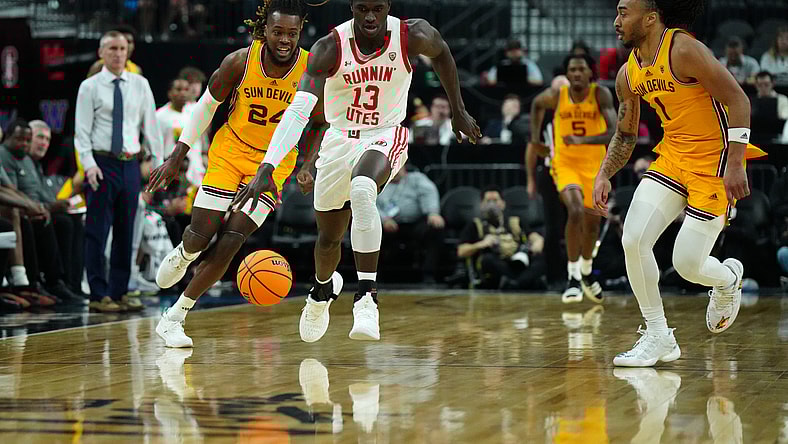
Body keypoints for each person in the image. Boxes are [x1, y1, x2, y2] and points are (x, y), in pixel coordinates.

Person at [232, 0, 481, 343]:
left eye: (376, 9)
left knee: (363, 188)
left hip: (385, 133)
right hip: (338, 139)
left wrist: (458, 109)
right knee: (329, 238)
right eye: (362, 8)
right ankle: (321, 291)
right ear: (352, 8)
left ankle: (366, 297)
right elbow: (298, 112)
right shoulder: (328, 48)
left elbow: (442, 55)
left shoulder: (412, 35)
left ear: (387, 7)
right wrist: (268, 166)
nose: (369, 16)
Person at [593, 0, 766, 367]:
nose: (616, 22)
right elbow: (625, 134)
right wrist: (604, 173)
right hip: (673, 157)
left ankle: (727, 277)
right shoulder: (628, 73)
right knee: (633, 238)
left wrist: (736, 163)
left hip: (714, 161)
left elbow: (739, 100)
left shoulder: (683, 49)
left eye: (624, 13)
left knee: (686, 264)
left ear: (650, 18)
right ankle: (658, 336)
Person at [147, 0, 322, 347]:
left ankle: (175, 317)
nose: (285, 39)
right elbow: (205, 108)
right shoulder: (240, 61)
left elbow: (321, 123)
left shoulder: (312, 70)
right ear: (265, 30)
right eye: (278, 32)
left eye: (292, 32)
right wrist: (175, 157)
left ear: (301, 31)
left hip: (275, 164)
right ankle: (185, 253)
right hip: (232, 151)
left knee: (232, 240)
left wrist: (307, 165)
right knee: (202, 234)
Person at [75, 30, 163, 312]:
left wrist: (158, 163)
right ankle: (98, 294)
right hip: (102, 163)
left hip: (130, 165)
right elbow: (81, 132)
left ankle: (120, 291)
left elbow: (151, 126)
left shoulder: (140, 84)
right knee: (97, 232)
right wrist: (88, 165)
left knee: (127, 231)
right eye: (111, 48)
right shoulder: (89, 87)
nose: (117, 53)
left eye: (122, 48)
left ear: (128, 52)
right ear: (101, 52)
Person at [527, 53, 616, 304]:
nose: (576, 74)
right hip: (565, 164)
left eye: (581, 69)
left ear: (590, 72)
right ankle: (573, 276)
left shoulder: (601, 95)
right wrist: (535, 140)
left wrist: (583, 140)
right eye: (572, 70)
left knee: (592, 225)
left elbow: (613, 132)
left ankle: (587, 271)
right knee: (575, 210)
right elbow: (536, 105)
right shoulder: (558, 96)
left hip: (595, 166)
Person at [457, 186, 546, 290]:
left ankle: (515, 284)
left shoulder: (515, 221)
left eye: (495, 200)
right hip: (497, 265)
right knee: (487, 260)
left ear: (503, 204)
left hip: (518, 262)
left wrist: (538, 242)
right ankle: (522, 283)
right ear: (481, 205)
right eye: (488, 201)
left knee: (542, 258)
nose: (492, 204)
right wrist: (481, 244)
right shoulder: (475, 225)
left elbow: (535, 237)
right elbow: (461, 251)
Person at [377, 166, 445, 284]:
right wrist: (384, 219)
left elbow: (429, 193)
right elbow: (371, 203)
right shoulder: (378, 182)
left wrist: (432, 213)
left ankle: (428, 274)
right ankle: (377, 276)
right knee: (370, 233)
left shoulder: (417, 179)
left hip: (415, 223)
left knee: (435, 229)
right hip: (387, 224)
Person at [156, 78, 206, 184]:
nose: (183, 93)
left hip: (196, 169)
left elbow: (202, 138)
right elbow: (155, 146)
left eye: (186, 89)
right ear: (170, 93)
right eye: (178, 89)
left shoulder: (195, 112)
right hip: (174, 172)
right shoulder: (160, 116)